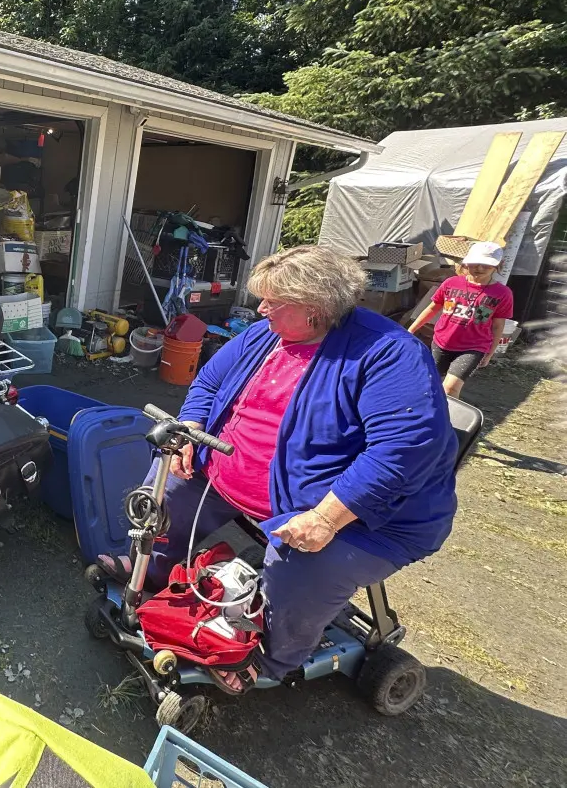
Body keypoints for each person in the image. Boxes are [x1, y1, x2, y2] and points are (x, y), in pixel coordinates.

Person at [98, 246, 457, 693]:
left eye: (273, 300)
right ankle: (149, 571)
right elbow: (210, 381)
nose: (260, 308)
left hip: (359, 516)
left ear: (315, 309)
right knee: (166, 489)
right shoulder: (266, 334)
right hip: (232, 474)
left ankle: (269, 659)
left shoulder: (388, 354)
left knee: (297, 566)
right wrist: (191, 427)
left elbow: (403, 450)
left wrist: (326, 518)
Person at [407, 241, 514, 397]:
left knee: (450, 389)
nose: (479, 268)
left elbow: (498, 325)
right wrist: (411, 330)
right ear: (467, 262)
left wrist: (490, 353)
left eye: (487, 265)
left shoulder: (502, 293)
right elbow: (432, 308)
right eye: (475, 263)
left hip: (473, 347)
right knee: (429, 383)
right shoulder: (451, 283)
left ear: (497, 266)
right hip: (442, 342)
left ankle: (448, 419)